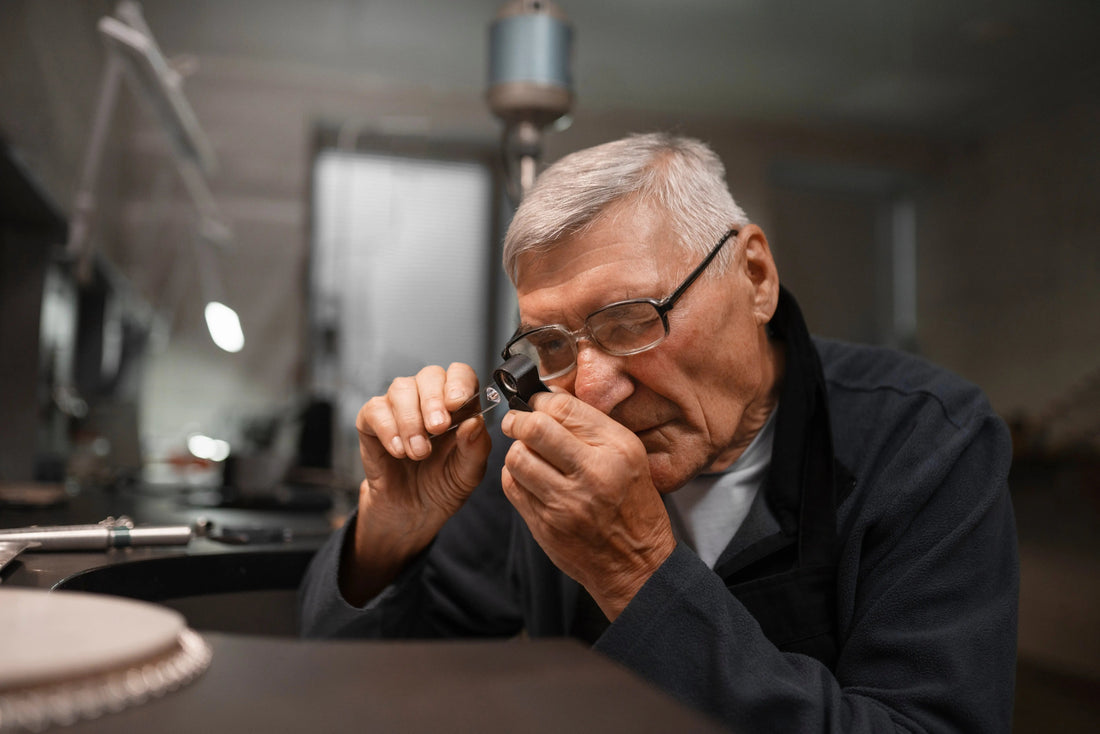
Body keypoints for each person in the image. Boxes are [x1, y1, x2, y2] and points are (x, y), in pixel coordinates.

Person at [299, 133, 1018, 731]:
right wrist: (391, 531)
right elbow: (357, 689)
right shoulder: (538, 442)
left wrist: (637, 574)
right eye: (550, 343)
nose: (593, 388)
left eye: (631, 321)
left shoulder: (925, 440)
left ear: (756, 276)